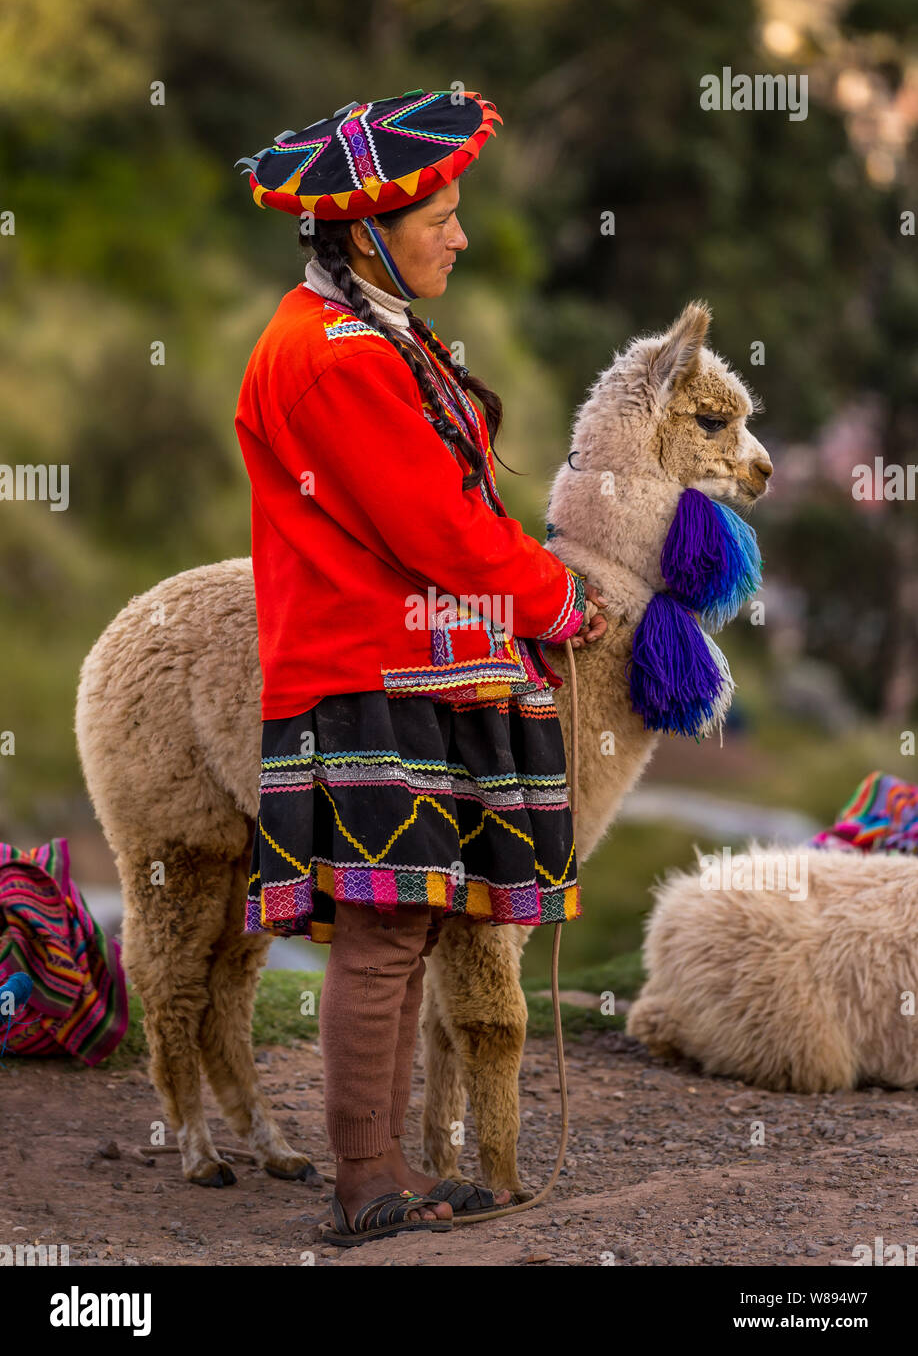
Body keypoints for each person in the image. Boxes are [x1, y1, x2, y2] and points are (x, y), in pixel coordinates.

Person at [234, 88, 608, 1247]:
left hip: (403, 663)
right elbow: (436, 528)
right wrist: (553, 595)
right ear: (364, 233)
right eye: (439, 215)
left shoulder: (370, 336)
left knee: (406, 921)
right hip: (367, 665)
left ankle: (383, 1165)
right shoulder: (332, 354)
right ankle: (365, 1178)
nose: (456, 233)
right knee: (390, 926)